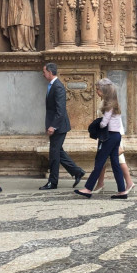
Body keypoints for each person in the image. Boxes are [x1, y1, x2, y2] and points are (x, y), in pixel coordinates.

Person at [75, 78, 128, 199]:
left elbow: (104, 123)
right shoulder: (116, 103)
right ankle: (122, 190)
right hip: (116, 136)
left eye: (98, 90)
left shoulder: (108, 105)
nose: (97, 92)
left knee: (99, 162)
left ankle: (88, 188)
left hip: (108, 136)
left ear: (104, 91)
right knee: (115, 164)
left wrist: (97, 124)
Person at [39, 62, 85, 190]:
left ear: (50, 72)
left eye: (44, 72)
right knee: (58, 152)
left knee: (54, 154)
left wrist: (53, 126)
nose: (43, 74)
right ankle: (77, 172)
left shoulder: (58, 87)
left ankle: (52, 182)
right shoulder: (52, 85)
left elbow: (60, 110)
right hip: (56, 125)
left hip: (59, 126)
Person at [93, 122, 135, 194]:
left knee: (117, 160)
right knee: (103, 161)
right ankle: (100, 183)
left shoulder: (110, 111)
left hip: (110, 134)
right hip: (110, 133)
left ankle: (129, 183)